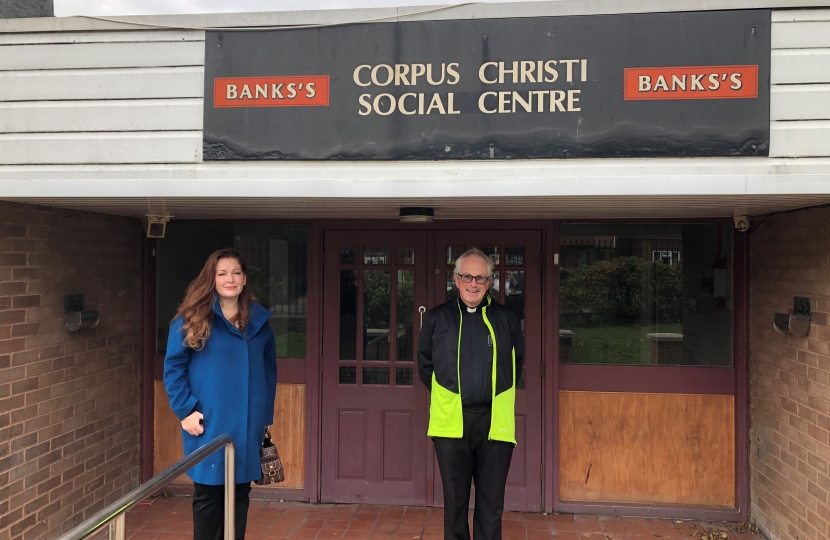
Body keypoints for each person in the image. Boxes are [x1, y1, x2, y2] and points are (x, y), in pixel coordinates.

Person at [164, 248, 277, 540]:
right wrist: (185, 411)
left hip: (247, 425)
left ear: (244, 278)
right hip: (208, 423)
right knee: (210, 495)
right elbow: (174, 368)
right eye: (222, 273)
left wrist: (263, 417)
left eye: (236, 273)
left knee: (240, 493)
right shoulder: (191, 319)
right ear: (211, 279)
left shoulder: (260, 322)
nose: (230, 279)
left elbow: (268, 371)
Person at [417, 248, 525, 540]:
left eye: (480, 278)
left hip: (494, 422)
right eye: (467, 276)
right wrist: (449, 397)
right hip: (453, 423)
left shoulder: (506, 319)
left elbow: (517, 364)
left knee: (491, 506)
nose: (473, 283)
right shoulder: (438, 319)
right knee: (455, 503)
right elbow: (425, 366)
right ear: (456, 279)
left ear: (490, 282)